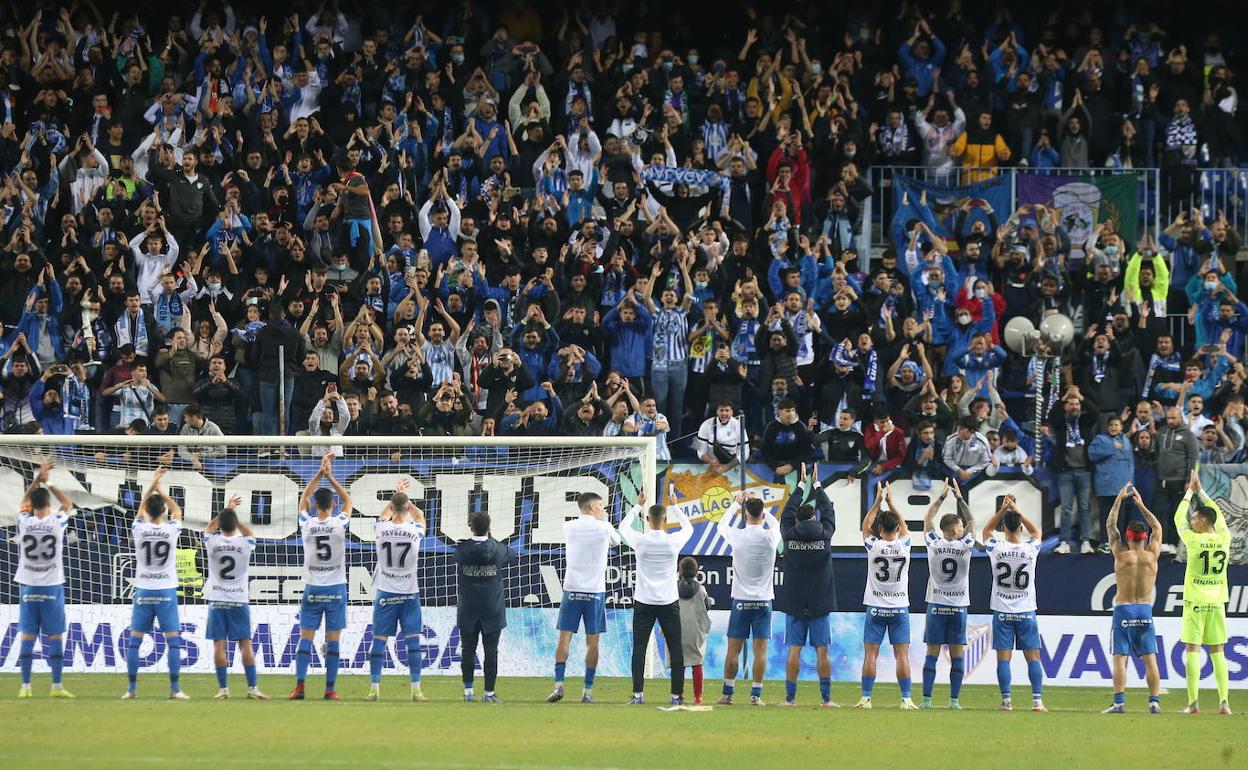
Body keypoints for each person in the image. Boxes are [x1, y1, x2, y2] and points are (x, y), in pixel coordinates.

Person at [618, 485, 694, 705]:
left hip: (644, 602)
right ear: (665, 519)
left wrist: (637, 506)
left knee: (640, 647)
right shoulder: (673, 541)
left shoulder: (640, 540)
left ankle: (638, 695)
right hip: (669, 602)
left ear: (648, 518)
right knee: (675, 647)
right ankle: (675, 696)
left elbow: (623, 527)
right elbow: (688, 528)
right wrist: (676, 507)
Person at [547, 492, 622, 703]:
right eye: (600, 506)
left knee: (564, 638)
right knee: (593, 642)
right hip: (595, 592)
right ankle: (587, 692)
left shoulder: (568, 526)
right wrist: (605, 522)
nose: (603, 509)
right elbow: (616, 541)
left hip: (572, 590)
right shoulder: (605, 527)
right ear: (591, 508)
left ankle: (558, 686)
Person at [290, 454, 353, 701]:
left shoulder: (307, 523)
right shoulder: (339, 523)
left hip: (313, 588)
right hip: (336, 588)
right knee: (333, 640)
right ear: (333, 505)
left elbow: (303, 499)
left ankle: (299, 687)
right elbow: (349, 500)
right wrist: (330, 476)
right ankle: (330, 689)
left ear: (316, 505)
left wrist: (319, 473)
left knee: (306, 637)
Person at [123, 467, 187, 700]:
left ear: (148, 511)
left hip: (144, 590)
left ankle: (131, 690)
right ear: (163, 512)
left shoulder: (139, 529)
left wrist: (152, 485)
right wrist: (162, 490)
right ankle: (175, 689)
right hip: (166, 590)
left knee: (134, 643)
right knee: (173, 642)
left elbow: (140, 509)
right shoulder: (171, 530)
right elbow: (177, 510)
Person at [777, 463, 838, 708]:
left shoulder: (789, 535)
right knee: (822, 651)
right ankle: (826, 699)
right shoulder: (825, 534)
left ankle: (790, 699)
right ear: (814, 517)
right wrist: (817, 485)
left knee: (794, 651)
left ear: (796, 520)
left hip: (794, 601)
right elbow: (828, 510)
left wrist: (800, 486)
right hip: (820, 601)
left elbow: (786, 512)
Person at [14, 462, 75, 699]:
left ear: (30, 507)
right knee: (55, 636)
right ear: (48, 505)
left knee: (28, 636)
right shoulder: (56, 523)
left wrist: (35, 481)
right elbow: (68, 504)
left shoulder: (25, 522)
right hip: (52, 586)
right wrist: (47, 480)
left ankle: (26, 687)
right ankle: (57, 686)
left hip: (29, 587)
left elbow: (23, 504)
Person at [716, 491, 782, 706]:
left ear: (745, 516)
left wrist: (736, 504)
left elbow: (720, 526)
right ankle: (756, 695)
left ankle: (727, 694)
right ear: (762, 515)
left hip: (741, 601)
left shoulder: (737, 535)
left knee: (733, 650)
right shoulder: (771, 535)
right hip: (764, 602)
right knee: (760, 651)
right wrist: (764, 511)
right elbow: (776, 524)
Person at [1102, 483, 1163, 714]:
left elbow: (1110, 524)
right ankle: (1154, 702)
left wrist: (1119, 499)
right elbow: (1157, 527)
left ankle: (1119, 702)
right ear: (1144, 537)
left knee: (1120, 658)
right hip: (1145, 611)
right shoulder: (1152, 555)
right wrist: (1141, 505)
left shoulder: (1120, 553)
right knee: (1150, 659)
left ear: (1127, 537)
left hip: (1124, 610)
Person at [981, 495, 1046, 712]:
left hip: (1002, 612)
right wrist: (1017, 512)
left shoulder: (996, 548)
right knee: (1033, 658)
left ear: (1003, 527)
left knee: (1003, 659)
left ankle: (1007, 702)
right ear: (1020, 528)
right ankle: (1037, 701)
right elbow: (1036, 532)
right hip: (1026, 611)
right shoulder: (1030, 550)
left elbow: (985, 532)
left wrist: (1002, 510)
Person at [1175, 470, 1233, 714]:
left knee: (1192, 650)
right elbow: (1218, 514)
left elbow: (1178, 517)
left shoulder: (1193, 540)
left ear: (1203, 522)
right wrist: (1203, 493)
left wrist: (1190, 491)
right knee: (1218, 651)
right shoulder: (1225, 537)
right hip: (1217, 602)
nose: (1191, 521)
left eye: (1195, 518)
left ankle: (1193, 703)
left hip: (1195, 601)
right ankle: (1224, 702)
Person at [857, 482, 916, 709]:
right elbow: (904, 525)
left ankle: (866, 698)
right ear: (898, 530)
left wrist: (877, 502)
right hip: (899, 607)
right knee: (902, 655)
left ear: (880, 530)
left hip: (875, 606)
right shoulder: (905, 545)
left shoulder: (873, 545)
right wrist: (891, 502)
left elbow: (866, 525)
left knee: (870, 653)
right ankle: (906, 699)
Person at [367, 480, 427, 702]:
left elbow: (382, 516)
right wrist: (406, 500)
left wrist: (396, 496)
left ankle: (374, 688)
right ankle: (416, 690)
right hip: (410, 594)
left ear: (391, 507)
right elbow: (420, 516)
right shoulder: (415, 530)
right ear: (406, 508)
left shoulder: (381, 529)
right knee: (412, 643)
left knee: (379, 641)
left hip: (386, 593)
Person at [203, 496, 268, 700]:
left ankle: (223, 690)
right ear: (236, 525)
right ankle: (252, 688)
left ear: (220, 525)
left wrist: (225, 512)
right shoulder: (245, 543)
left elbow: (208, 529)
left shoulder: (212, 541)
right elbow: (250, 533)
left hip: (217, 600)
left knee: (219, 645)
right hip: (239, 600)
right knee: (245, 645)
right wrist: (234, 517)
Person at [921, 478, 975, 710]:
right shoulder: (966, 544)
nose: (964, 527)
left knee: (931, 655)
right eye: (960, 526)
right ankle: (954, 701)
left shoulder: (933, 543)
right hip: (958, 607)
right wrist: (959, 498)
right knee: (957, 657)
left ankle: (926, 700)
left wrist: (942, 496)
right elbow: (972, 520)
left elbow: (928, 519)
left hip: (936, 605)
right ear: (955, 529)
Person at [455, 510, 515, 703]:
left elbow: (458, 556)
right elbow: (511, 556)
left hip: (468, 607)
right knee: (491, 651)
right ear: (489, 528)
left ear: (470, 527)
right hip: (492, 607)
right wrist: (491, 536)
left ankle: (468, 692)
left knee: (467, 650)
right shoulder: (498, 549)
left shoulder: (462, 549)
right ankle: (489, 693)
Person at [677, 557, 711, 705]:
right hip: (696, 631)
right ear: (697, 573)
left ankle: (678, 695)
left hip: (677, 630)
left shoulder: (673, 588)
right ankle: (698, 697)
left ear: (679, 572)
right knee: (697, 663)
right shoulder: (701, 590)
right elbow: (707, 606)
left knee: (679, 663)